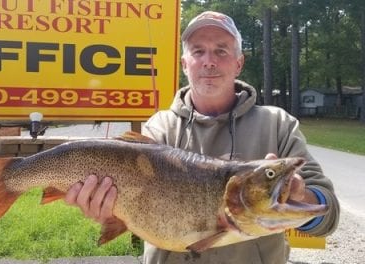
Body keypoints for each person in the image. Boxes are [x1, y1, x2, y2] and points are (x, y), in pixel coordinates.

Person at [64, 10, 340, 264]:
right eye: (199, 51)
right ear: (185, 64)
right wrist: (104, 207)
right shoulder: (160, 128)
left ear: (239, 63)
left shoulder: (277, 124)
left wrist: (301, 195)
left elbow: (328, 215)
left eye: (221, 51)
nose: (209, 61)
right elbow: (131, 208)